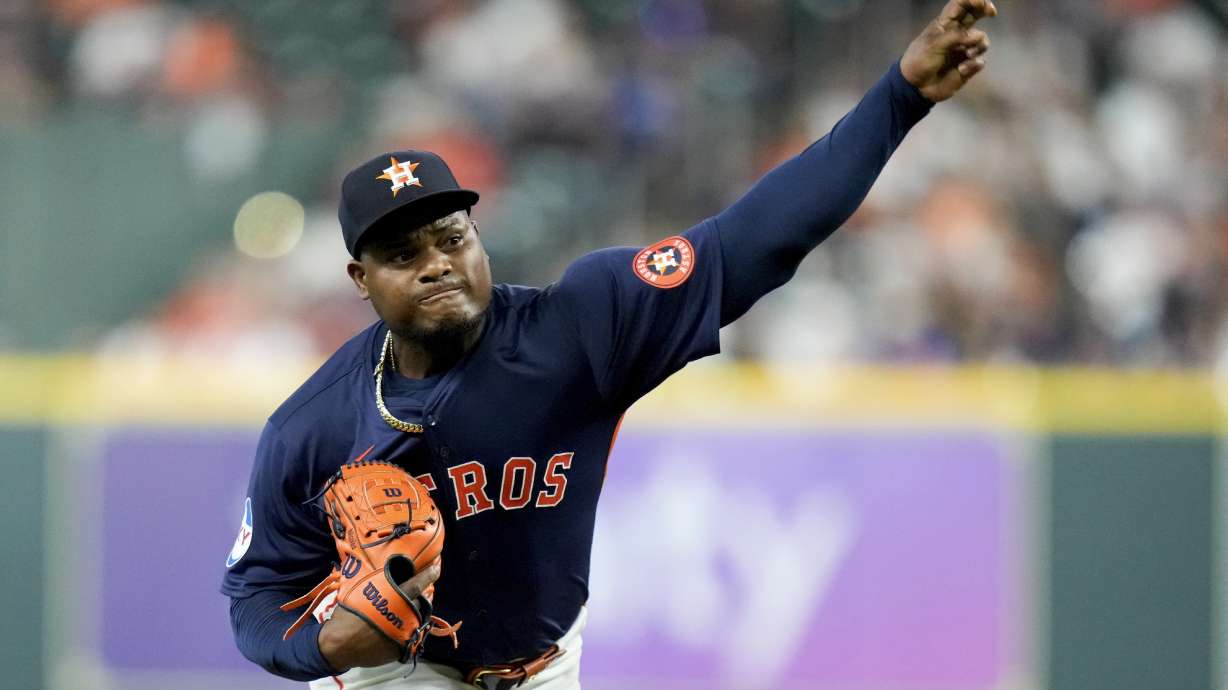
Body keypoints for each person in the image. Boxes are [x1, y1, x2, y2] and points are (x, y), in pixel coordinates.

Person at [221, 2, 996, 688]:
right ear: (361, 278)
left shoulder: (580, 328)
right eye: (402, 255)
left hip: (547, 663)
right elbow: (255, 598)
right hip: (401, 671)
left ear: (479, 236)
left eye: (450, 237)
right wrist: (322, 646)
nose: (436, 265)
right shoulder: (314, 426)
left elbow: (755, 241)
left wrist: (900, 98)